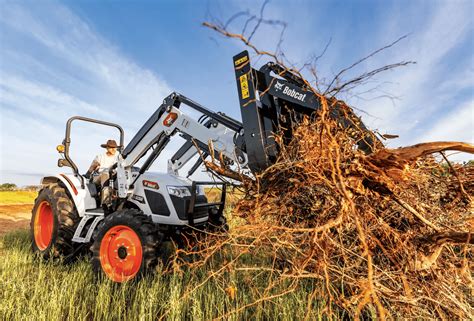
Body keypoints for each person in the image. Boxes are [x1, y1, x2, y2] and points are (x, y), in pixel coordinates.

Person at [85, 139, 120, 206]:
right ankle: (105, 203)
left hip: (113, 176)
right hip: (99, 176)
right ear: (107, 148)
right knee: (105, 174)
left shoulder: (118, 157)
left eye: (114, 148)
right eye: (111, 148)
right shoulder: (100, 157)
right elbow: (93, 166)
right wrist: (88, 174)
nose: (114, 149)